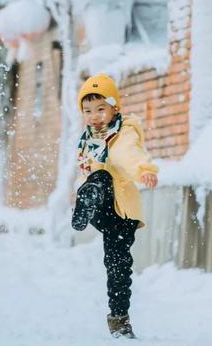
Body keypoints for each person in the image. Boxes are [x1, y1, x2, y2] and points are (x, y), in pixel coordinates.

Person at [72, 73, 158, 339]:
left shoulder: (123, 133)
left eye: (101, 109)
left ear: (114, 108)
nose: (94, 116)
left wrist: (144, 170)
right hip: (102, 207)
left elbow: (128, 154)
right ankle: (86, 200)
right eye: (87, 111)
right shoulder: (88, 141)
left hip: (122, 216)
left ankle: (119, 319)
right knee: (98, 177)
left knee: (118, 266)